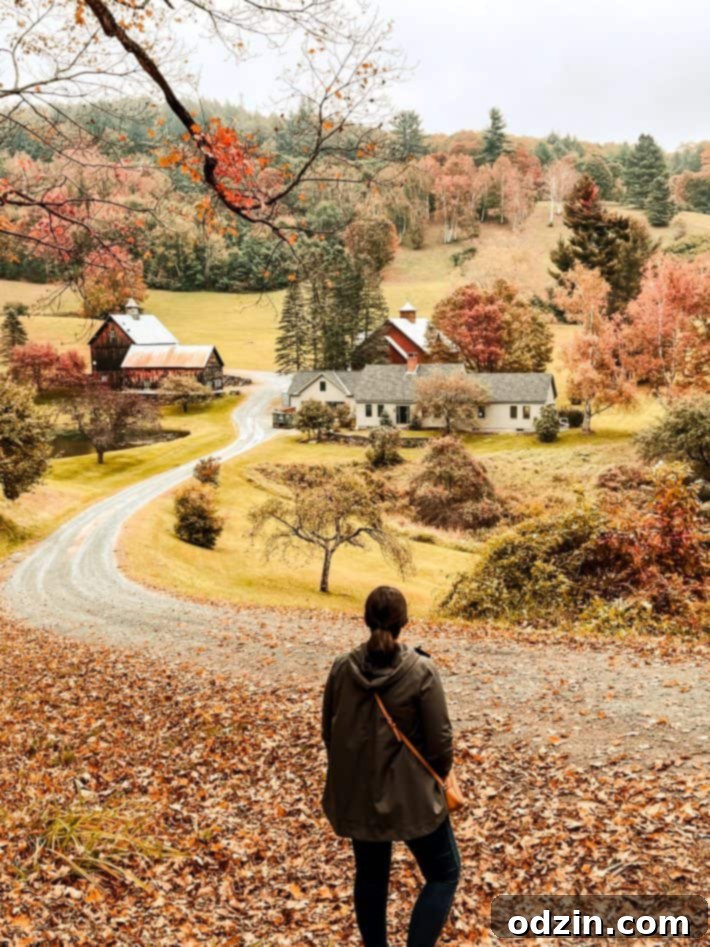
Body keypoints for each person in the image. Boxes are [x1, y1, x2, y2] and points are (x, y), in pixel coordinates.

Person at [322, 585, 460, 947]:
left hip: (360, 795)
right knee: (444, 874)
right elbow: (440, 743)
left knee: (370, 876)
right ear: (404, 622)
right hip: (414, 797)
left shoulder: (342, 668)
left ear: (366, 620)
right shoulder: (421, 671)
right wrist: (435, 776)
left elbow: (329, 733)